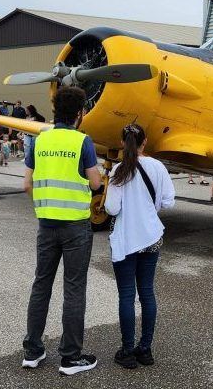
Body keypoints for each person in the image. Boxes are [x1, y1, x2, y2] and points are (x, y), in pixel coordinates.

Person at [21, 87, 102, 376]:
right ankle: (70, 357)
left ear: (55, 110)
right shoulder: (83, 141)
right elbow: (94, 183)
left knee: (41, 284)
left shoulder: (40, 140)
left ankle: (32, 350)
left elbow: (26, 184)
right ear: (80, 113)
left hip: (46, 225)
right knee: (74, 289)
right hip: (75, 227)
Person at [105, 124, 175, 369]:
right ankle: (145, 349)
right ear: (145, 141)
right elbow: (168, 201)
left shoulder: (118, 171)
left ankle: (126, 351)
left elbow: (112, 209)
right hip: (151, 237)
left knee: (126, 295)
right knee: (147, 292)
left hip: (126, 240)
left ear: (123, 142)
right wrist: (150, 209)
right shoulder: (158, 167)